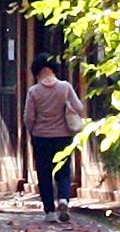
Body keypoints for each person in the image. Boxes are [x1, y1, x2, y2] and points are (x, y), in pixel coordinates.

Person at [22, 57, 86, 217]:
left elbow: (29, 117)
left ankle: (49, 210)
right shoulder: (65, 87)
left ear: (36, 72)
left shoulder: (34, 91)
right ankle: (63, 199)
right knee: (63, 170)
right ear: (54, 69)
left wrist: (31, 131)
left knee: (44, 173)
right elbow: (79, 107)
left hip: (41, 136)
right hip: (63, 136)